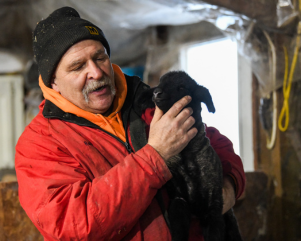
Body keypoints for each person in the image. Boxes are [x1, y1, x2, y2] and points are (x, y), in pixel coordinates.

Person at [15, 6, 245, 241]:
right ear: (53, 81)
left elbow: (214, 142)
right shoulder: (40, 144)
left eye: (99, 57)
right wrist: (155, 156)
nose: (96, 72)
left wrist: (228, 185)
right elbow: (73, 223)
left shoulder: (147, 101)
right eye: (78, 66)